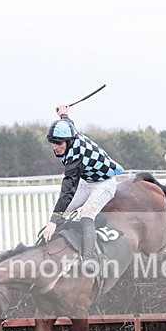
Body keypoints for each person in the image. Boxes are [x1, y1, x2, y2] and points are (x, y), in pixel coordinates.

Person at [41, 104, 125, 270]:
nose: (55, 147)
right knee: (62, 213)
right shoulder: (70, 132)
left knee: (86, 214)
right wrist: (63, 113)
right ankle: (58, 250)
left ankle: (89, 259)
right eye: (52, 142)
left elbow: (67, 191)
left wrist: (52, 222)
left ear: (69, 140)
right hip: (88, 182)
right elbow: (68, 122)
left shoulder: (76, 157)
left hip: (104, 184)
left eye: (59, 143)